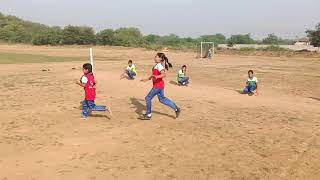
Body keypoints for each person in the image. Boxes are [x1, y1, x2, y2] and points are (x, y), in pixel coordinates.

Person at [139, 53, 181, 120]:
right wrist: (146, 79)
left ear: (160, 58)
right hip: (160, 85)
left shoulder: (159, 65)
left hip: (157, 86)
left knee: (148, 98)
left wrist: (156, 76)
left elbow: (163, 75)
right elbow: (154, 75)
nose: (154, 58)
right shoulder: (158, 65)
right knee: (162, 99)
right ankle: (176, 109)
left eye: (156, 57)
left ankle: (148, 115)